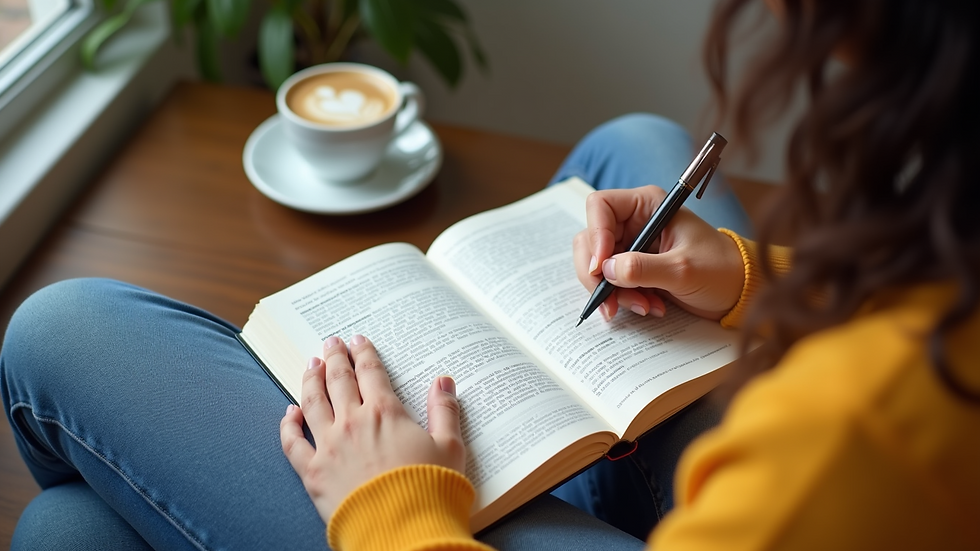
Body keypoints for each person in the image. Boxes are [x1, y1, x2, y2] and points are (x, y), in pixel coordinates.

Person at [3, 0, 979, 550]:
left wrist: (393, 505)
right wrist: (751, 275)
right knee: (634, 142)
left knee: (59, 353)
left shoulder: (854, 434)